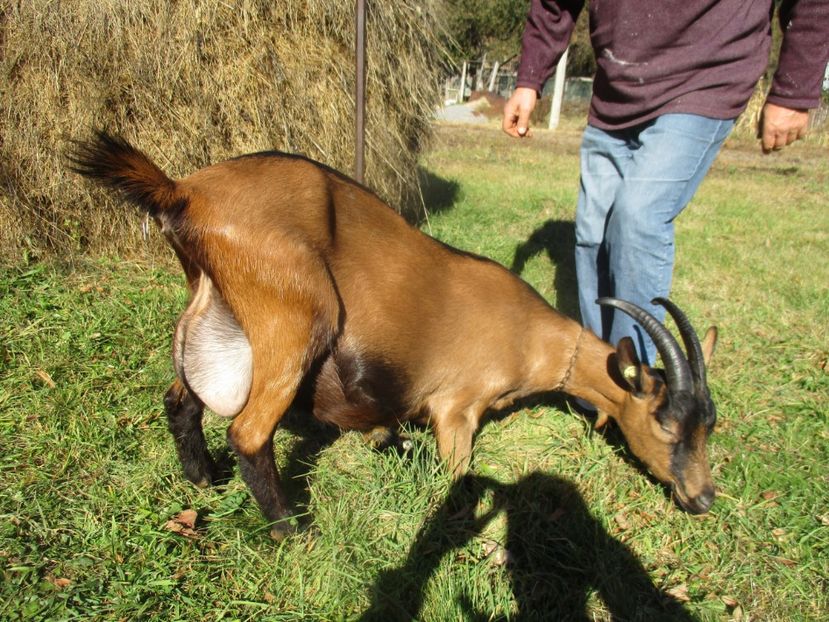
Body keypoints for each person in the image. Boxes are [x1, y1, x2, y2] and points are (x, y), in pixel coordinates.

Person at [502, 0, 829, 368]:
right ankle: (597, 379)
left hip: (706, 75)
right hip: (617, 88)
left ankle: (634, 385)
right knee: (593, 235)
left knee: (638, 216)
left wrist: (794, 90)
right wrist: (529, 79)